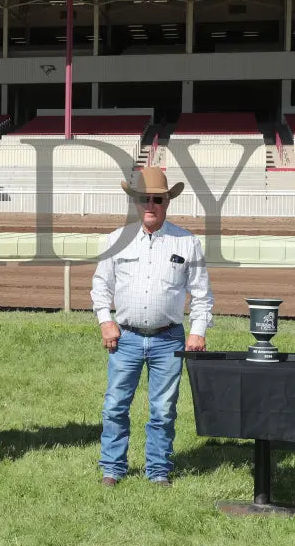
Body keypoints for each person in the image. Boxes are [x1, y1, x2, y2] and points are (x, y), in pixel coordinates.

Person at [90, 168, 213, 487]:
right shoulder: (116, 240)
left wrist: (198, 331)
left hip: (169, 338)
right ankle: (112, 468)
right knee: (115, 405)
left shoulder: (187, 242)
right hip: (125, 337)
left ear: (167, 202)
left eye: (157, 199)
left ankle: (158, 470)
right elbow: (101, 285)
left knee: (163, 410)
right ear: (135, 201)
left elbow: (201, 294)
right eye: (145, 198)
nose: (150, 205)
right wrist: (105, 320)